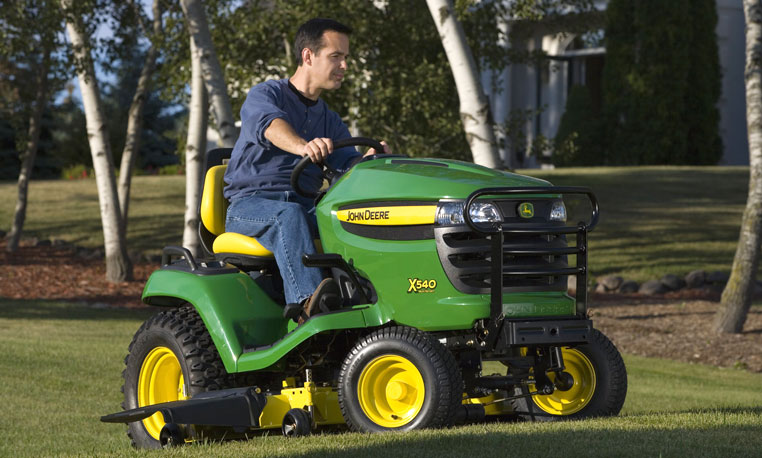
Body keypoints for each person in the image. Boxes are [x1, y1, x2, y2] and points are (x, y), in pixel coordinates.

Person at [223, 18, 388, 316]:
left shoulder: (330, 119)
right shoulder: (267, 94)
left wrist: (369, 159)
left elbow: (348, 169)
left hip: (303, 206)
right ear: (308, 56)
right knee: (289, 215)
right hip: (250, 206)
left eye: (346, 58)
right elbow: (270, 126)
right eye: (336, 57)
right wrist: (303, 146)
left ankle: (375, 300)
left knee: (354, 217)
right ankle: (309, 305)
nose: (345, 66)